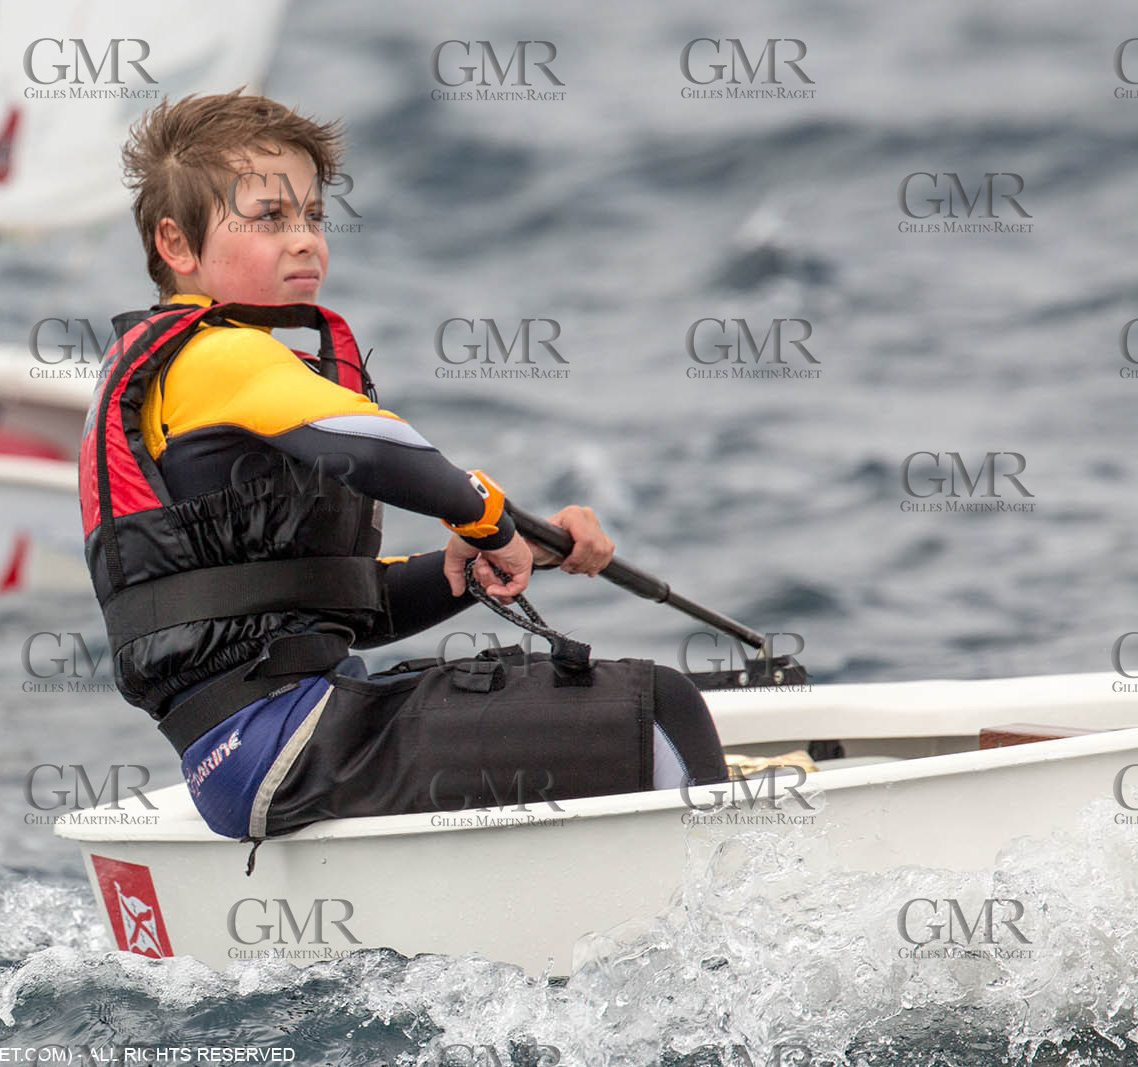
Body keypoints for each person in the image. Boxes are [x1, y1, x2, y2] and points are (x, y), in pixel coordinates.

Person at [79, 89, 728, 843]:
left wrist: (478, 559)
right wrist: (484, 516)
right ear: (177, 245)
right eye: (268, 219)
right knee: (664, 707)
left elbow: (345, 608)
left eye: (314, 217)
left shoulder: (188, 390)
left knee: (602, 706)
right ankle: (728, 931)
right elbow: (374, 447)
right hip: (292, 745)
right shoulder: (219, 357)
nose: (304, 240)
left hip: (251, 754)